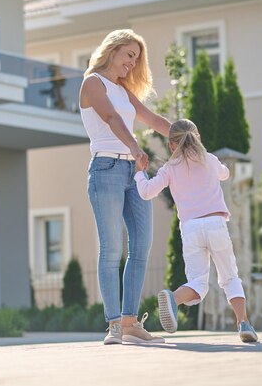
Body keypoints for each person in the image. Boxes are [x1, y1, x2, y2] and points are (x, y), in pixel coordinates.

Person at [79, 29, 171, 345]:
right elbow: (109, 117)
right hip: (106, 169)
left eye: (136, 58)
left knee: (142, 244)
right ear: (114, 50)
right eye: (129, 55)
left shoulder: (121, 89)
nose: (132, 63)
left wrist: (188, 139)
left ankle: (131, 323)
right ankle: (114, 324)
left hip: (132, 172)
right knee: (112, 249)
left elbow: (154, 120)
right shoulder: (93, 82)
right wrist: (134, 147)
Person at [134, 119, 259, 343]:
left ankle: (173, 298)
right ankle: (244, 324)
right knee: (230, 276)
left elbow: (146, 192)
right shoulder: (209, 160)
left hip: (190, 228)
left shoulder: (169, 169)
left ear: (172, 145)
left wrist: (139, 173)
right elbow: (225, 174)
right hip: (215, 224)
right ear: (197, 138)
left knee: (198, 283)